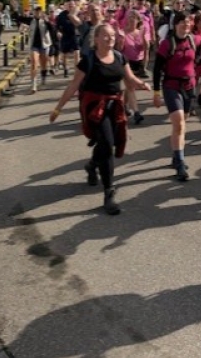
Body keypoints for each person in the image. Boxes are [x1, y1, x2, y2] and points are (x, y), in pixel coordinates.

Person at [49, 23, 150, 215]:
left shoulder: (120, 57)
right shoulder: (88, 60)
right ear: (95, 39)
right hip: (94, 108)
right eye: (105, 35)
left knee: (107, 144)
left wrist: (144, 85)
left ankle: (92, 165)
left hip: (115, 107)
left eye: (112, 35)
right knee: (107, 144)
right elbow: (73, 85)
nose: (110, 38)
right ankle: (109, 192)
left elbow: (129, 79)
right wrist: (58, 108)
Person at [153, 11, 197, 181]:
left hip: (189, 87)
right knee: (178, 123)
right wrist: (156, 92)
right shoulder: (167, 44)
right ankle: (180, 163)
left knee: (182, 124)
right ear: (175, 24)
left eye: (188, 22)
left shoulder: (192, 41)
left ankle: (176, 154)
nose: (186, 25)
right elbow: (157, 69)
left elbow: (196, 61)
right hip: (172, 86)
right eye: (182, 22)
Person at [116, 9, 150, 124]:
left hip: (138, 63)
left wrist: (144, 36)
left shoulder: (141, 32)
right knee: (130, 87)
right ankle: (136, 113)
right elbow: (119, 49)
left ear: (138, 20)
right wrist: (120, 42)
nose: (131, 19)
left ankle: (123, 105)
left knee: (130, 87)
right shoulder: (122, 32)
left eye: (134, 18)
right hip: (126, 63)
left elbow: (146, 48)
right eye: (129, 17)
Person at [27, 6, 54, 93]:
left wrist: (47, 21)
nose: (38, 12)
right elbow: (19, 18)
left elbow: (52, 29)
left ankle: (43, 78)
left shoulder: (45, 21)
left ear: (42, 12)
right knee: (34, 63)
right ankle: (34, 84)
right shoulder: (31, 20)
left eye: (39, 11)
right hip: (34, 46)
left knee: (43, 64)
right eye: (36, 11)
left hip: (44, 45)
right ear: (33, 12)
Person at [56, 0, 81, 77]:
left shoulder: (78, 13)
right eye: (69, 5)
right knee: (64, 54)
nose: (70, 6)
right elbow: (57, 26)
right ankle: (66, 69)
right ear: (65, 6)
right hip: (65, 36)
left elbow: (82, 23)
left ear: (74, 5)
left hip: (75, 35)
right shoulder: (61, 15)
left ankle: (76, 71)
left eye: (72, 4)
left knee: (77, 53)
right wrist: (58, 32)